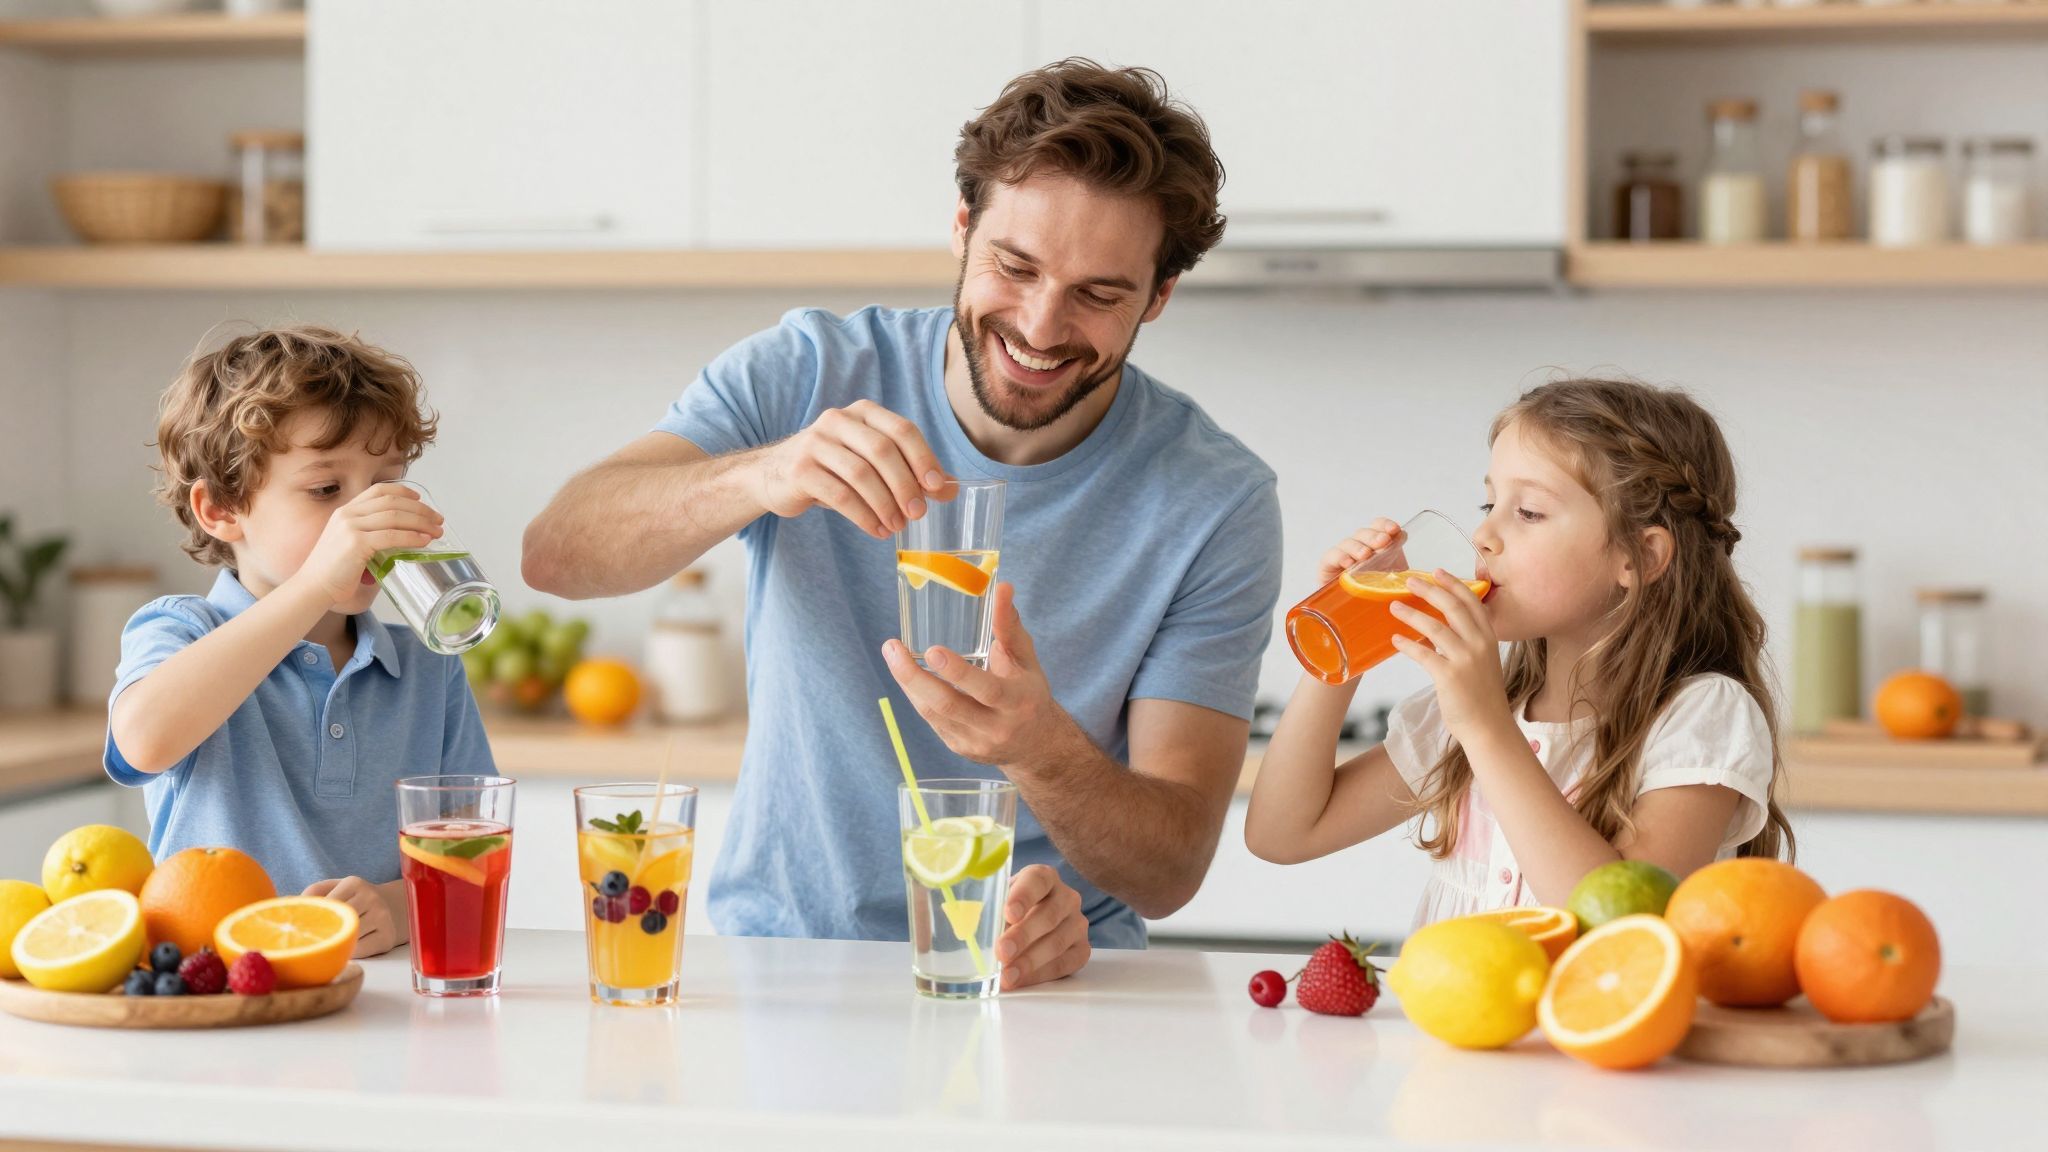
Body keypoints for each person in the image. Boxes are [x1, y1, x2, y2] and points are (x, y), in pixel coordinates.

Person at [523, 60, 1281, 988]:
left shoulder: (1215, 500)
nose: (1042, 326)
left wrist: (1036, 749)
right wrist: (764, 473)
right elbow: (557, 553)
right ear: (962, 231)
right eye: (1016, 266)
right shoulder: (807, 374)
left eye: (1100, 293)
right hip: (785, 968)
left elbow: (1170, 873)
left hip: (1046, 984)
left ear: (1157, 297)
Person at [1246, 377, 1793, 925]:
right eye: (1490, 502)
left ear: (1641, 558)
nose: (1483, 533)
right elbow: (1282, 833)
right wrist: (1347, 636)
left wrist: (1485, 727)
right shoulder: (1470, 711)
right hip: (1462, 1012)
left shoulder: (1702, 717)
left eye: (1528, 512)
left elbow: (1621, 922)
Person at [104, 325, 494, 957]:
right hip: (219, 994)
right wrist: (316, 583)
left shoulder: (428, 671)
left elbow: (475, 854)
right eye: (325, 490)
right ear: (222, 509)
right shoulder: (179, 631)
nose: (361, 520)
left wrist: (396, 908)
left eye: (385, 483)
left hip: (378, 999)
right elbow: (142, 742)